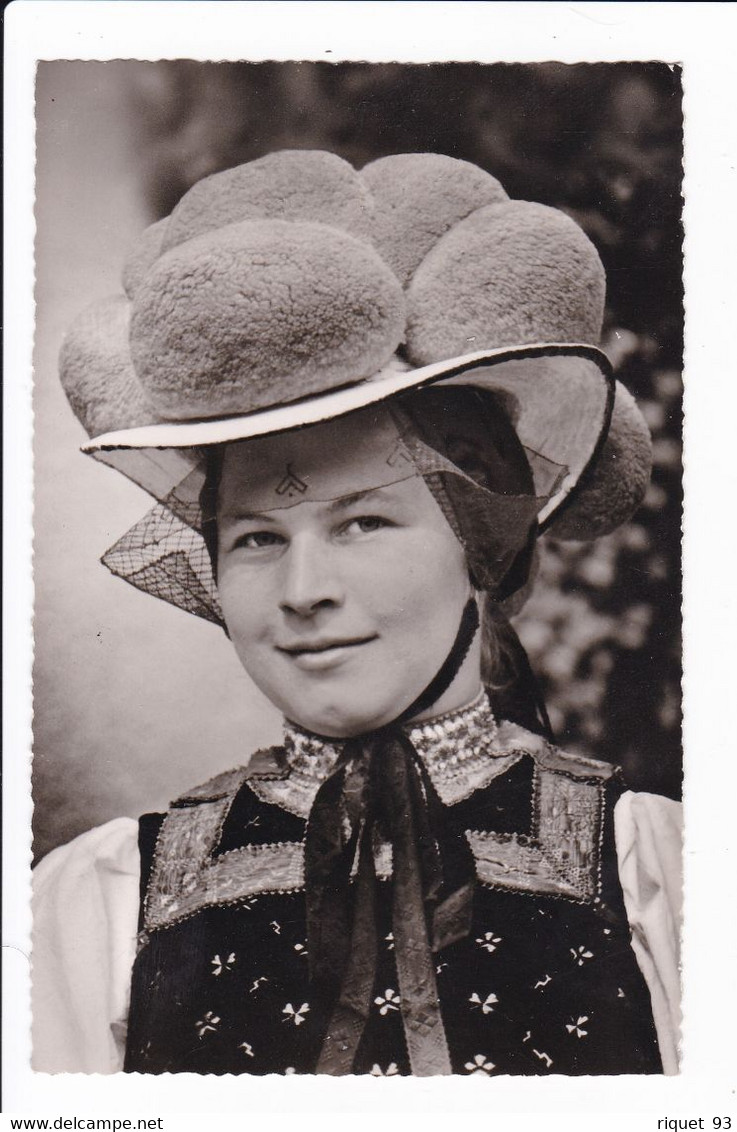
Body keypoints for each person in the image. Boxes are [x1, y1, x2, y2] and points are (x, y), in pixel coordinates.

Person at [32, 150, 681, 1076]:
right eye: (256, 538)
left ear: (482, 545)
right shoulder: (102, 903)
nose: (303, 591)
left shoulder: (658, 874)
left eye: (364, 521)